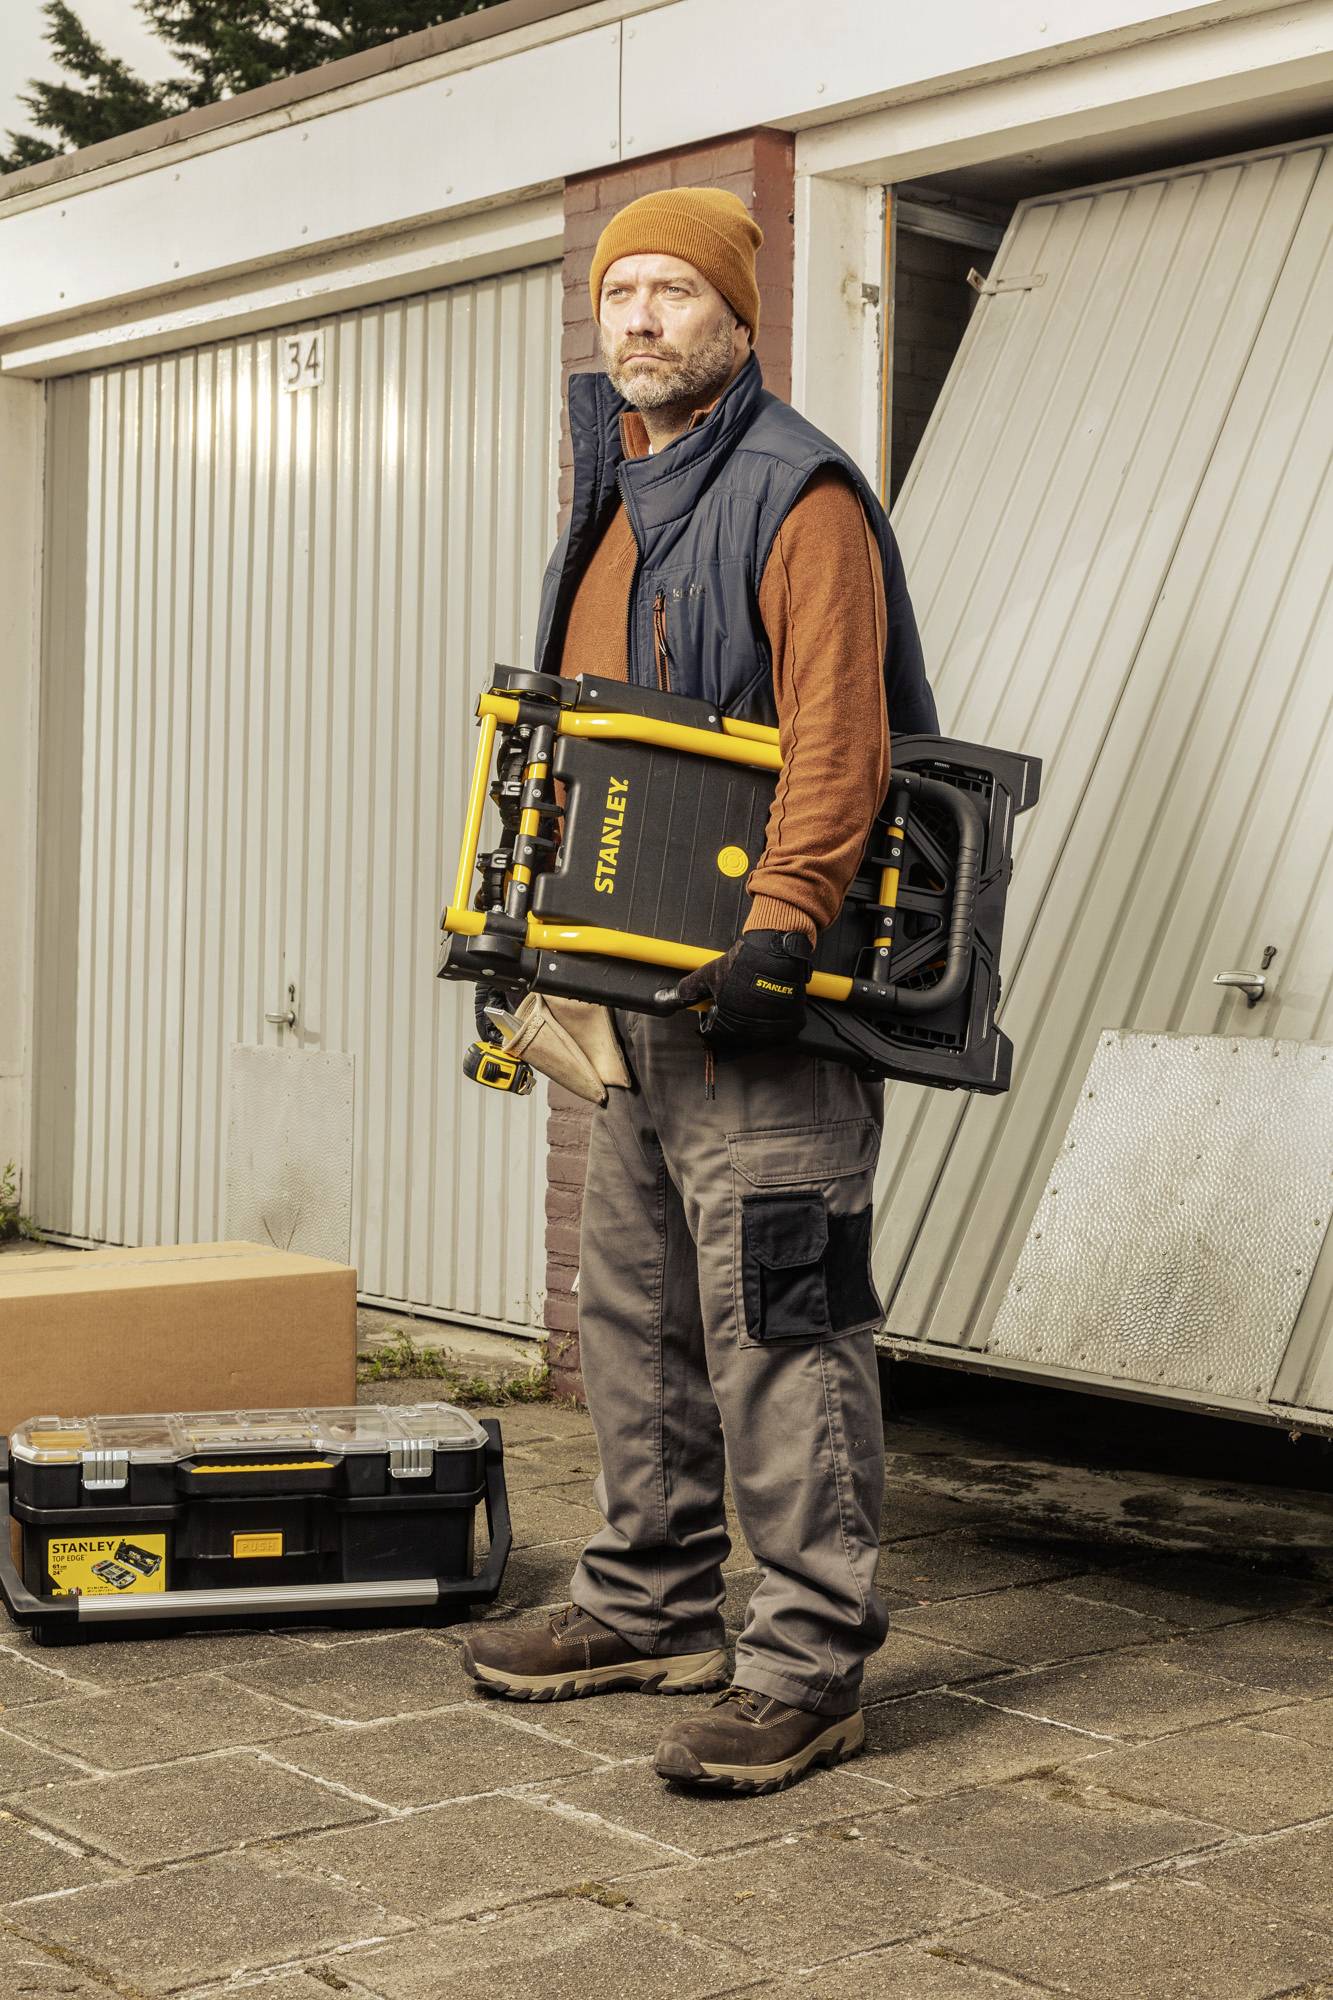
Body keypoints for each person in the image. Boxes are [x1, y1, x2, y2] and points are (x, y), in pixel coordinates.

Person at [462, 186, 937, 1793]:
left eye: (675, 292)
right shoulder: (613, 495)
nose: (642, 318)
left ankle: (806, 1667)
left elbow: (837, 736)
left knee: (783, 1329)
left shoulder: (797, 494)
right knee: (637, 1313)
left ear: (740, 317)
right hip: (633, 1011)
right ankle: (652, 1601)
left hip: (764, 1007)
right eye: (622, 293)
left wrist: (786, 924)